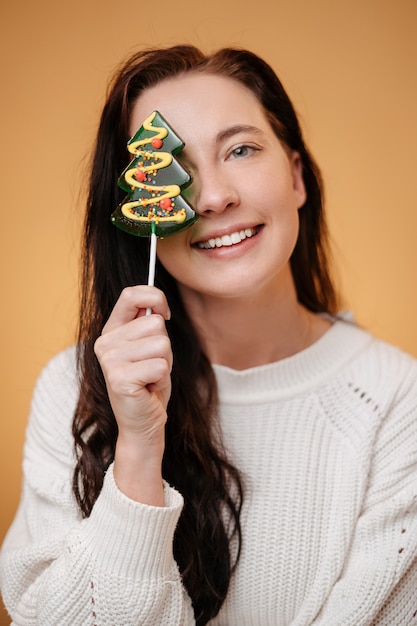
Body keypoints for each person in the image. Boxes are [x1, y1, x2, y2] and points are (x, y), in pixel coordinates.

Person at [1, 45, 416, 626]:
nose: (214, 197)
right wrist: (138, 450)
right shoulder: (75, 392)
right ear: (139, 210)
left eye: (241, 149)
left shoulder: (399, 402)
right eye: (176, 168)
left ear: (297, 175)